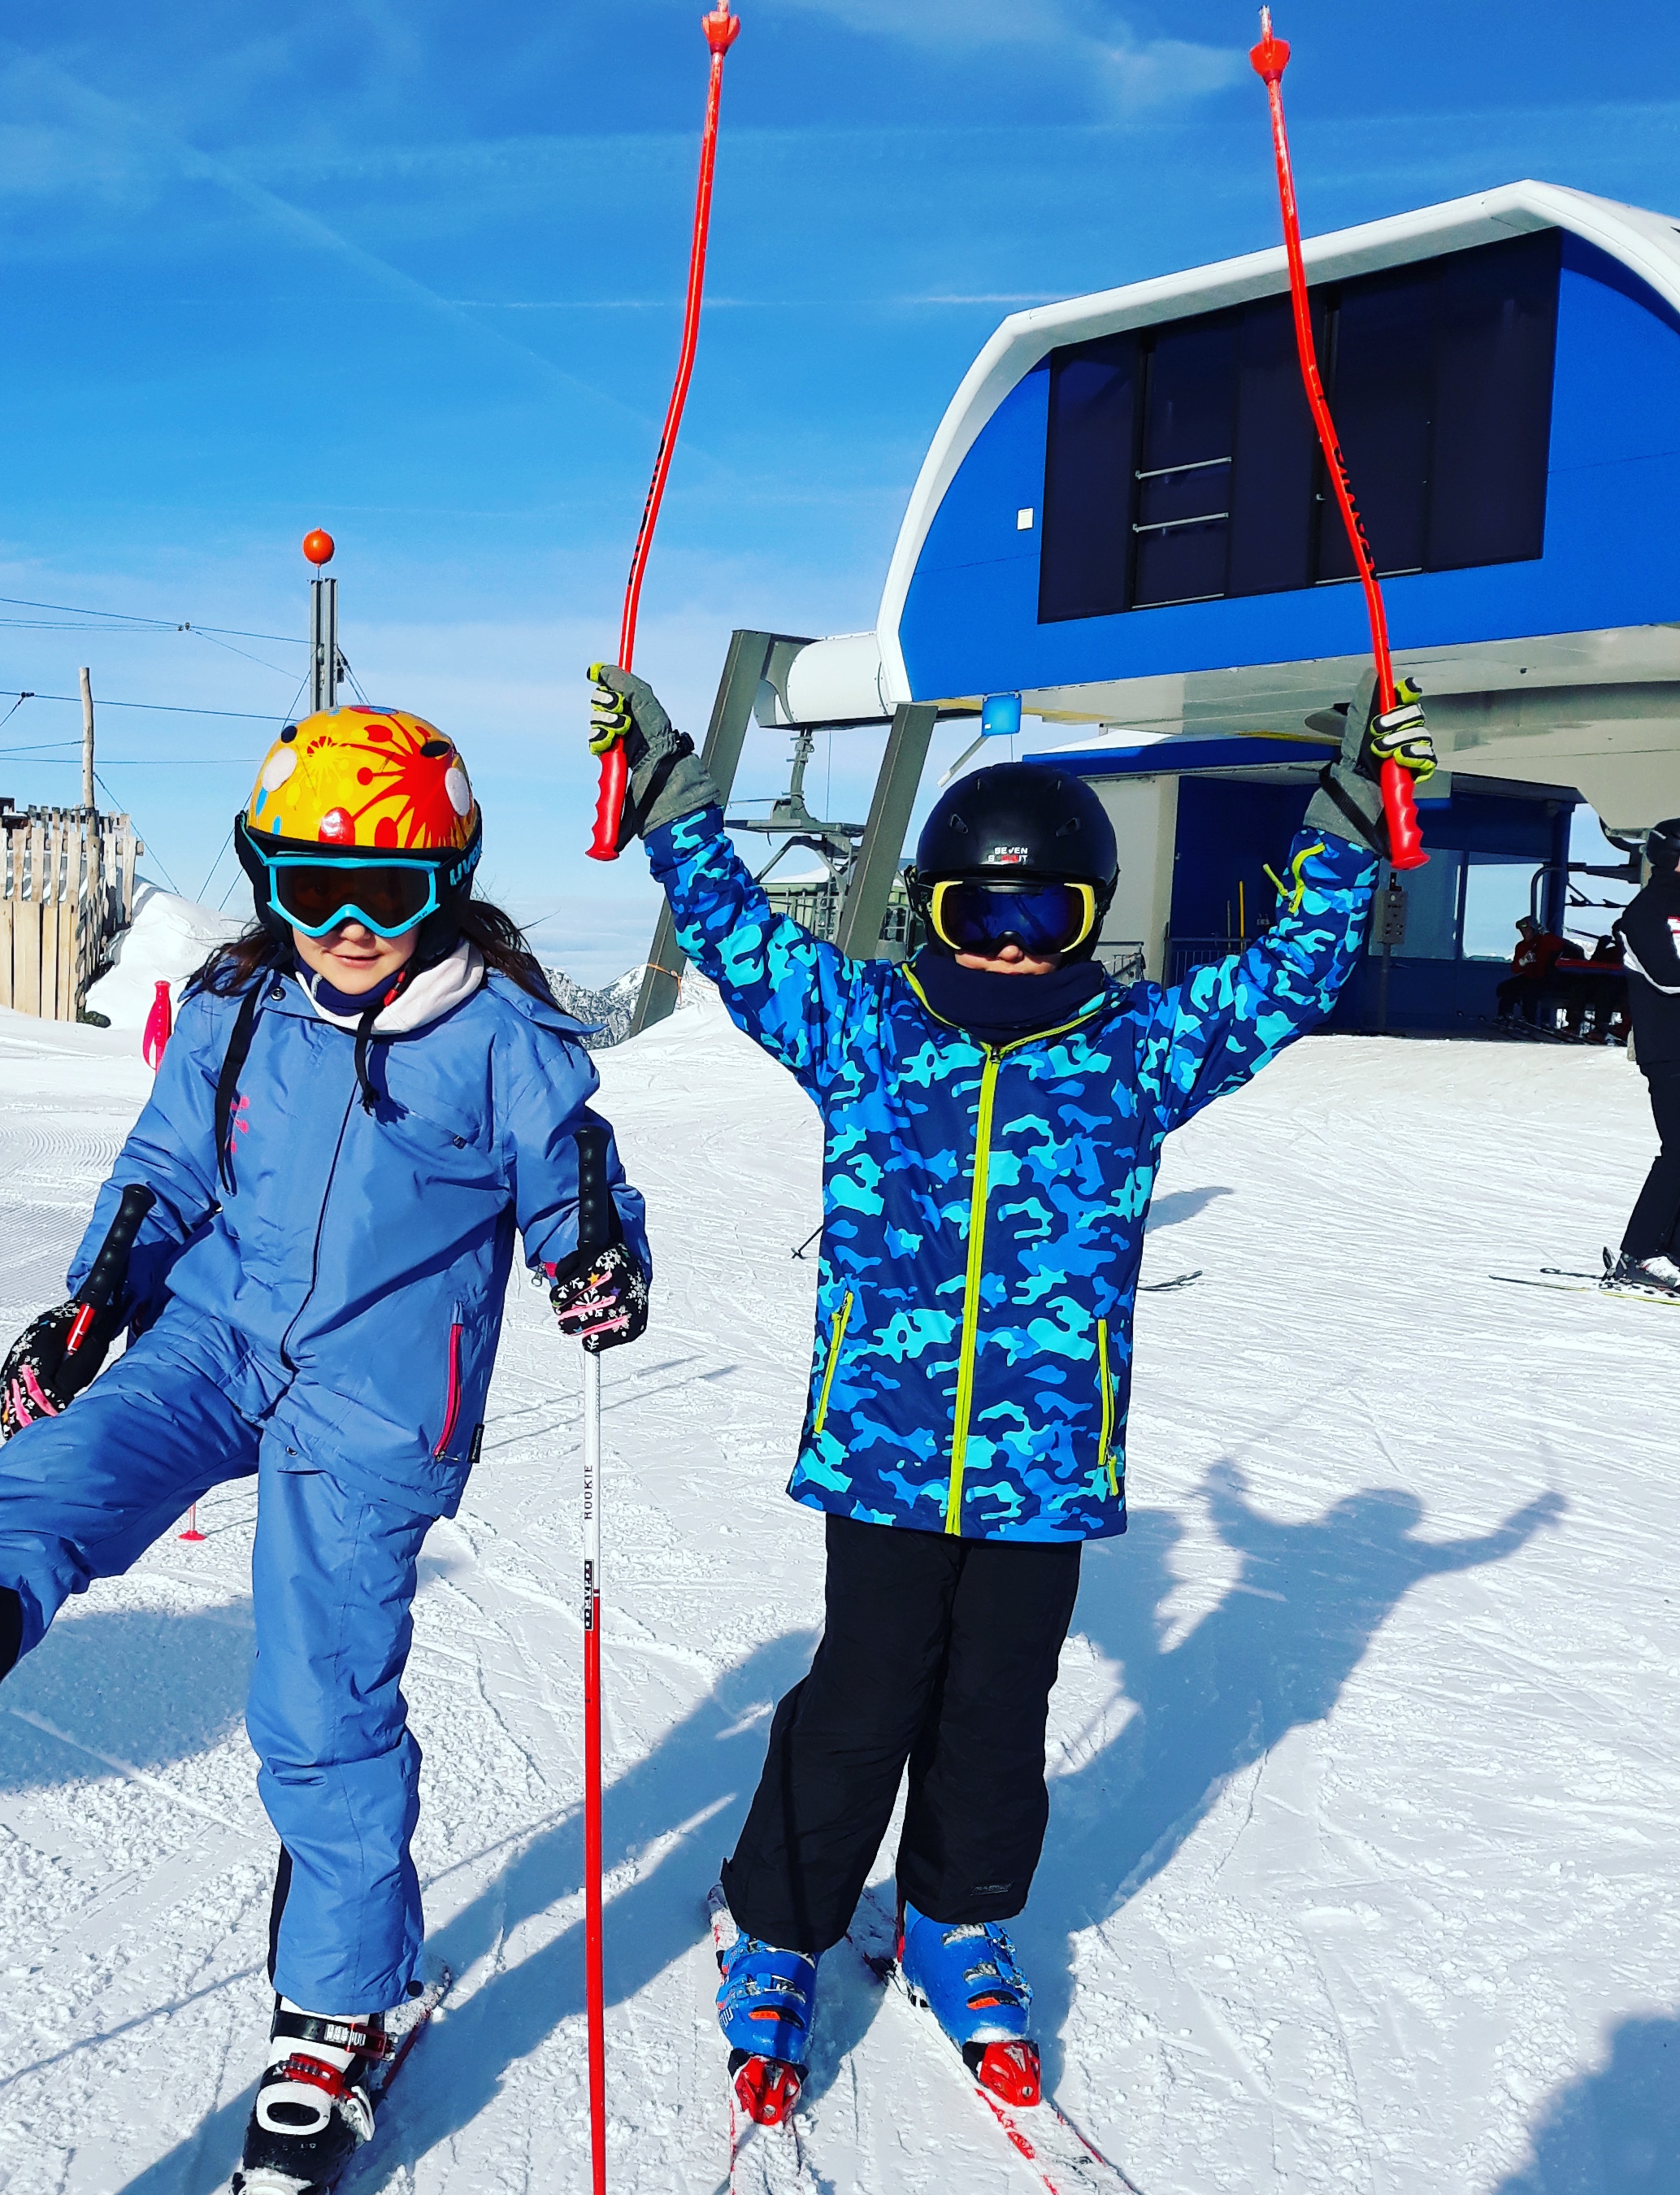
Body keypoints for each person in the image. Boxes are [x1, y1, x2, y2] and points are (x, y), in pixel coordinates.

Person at [0, 704, 653, 2195]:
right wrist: (92, 1303)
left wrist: (594, 1258)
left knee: (317, 1695)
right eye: (309, 887)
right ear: (265, 880)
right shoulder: (236, 1007)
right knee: (29, 1497)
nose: (347, 926)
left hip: (376, 1395)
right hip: (214, 1335)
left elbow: (575, 1188)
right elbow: (162, 1175)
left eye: (389, 891)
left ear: (449, 883)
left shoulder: (503, 1043)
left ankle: (334, 2008)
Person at [586, 659, 1430, 2119]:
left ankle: (954, 1915)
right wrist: (670, 798)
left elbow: (1286, 973)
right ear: (928, 910)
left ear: (1089, 920)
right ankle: (777, 1924)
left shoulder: (1132, 1053)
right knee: (862, 1696)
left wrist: (1346, 822)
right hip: (884, 1450)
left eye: (1045, 918)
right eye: (978, 914)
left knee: (995, 1702)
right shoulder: (864, 1029)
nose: (1009, 945)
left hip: (1042, 1461)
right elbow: (731, 932)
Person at [1607, 819, 1680, 1292]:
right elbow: (1668, 976)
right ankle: (1639, 1254)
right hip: (1669, 1046)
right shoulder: (1645, 910)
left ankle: (1671, 1255)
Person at [1495, 915, 1579, 1029]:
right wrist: (1523, 961)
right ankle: (1504, 1015)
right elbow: (1515, 969)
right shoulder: (1521, 946)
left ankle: (1529, 1020)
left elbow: (1561, 945)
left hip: (1545, 978)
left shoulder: (1544, 941)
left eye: (1526, 930)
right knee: (1506, 987)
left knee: (1530, 991)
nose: (1524, 933)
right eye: (1522, 931)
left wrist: (1546, 934)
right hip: (1529, 977)